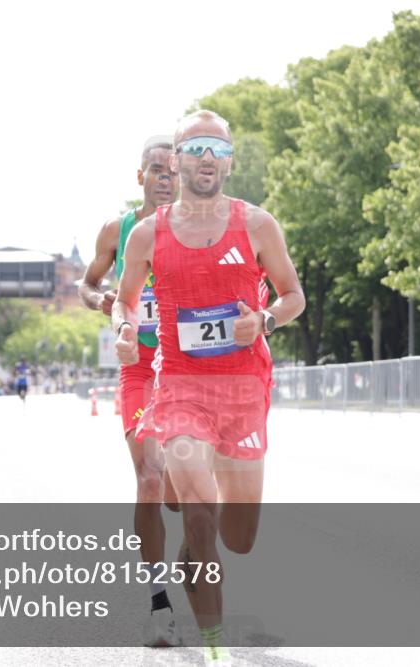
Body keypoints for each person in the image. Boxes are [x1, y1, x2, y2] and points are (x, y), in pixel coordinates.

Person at [113, 110, 305, 665]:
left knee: (239, 537)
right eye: (193, 146)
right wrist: (125, 330)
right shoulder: (149, 234)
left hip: (244, 388)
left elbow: (294, 296)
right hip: (178, 385)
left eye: (215, 148)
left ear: (229, 160)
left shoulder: (258, 225)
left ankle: (196, 556)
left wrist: (264, 320)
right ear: (177, 158)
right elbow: (125, 301)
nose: (204, 156)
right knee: (199, 516)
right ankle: (214, 649)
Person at [79, 137, 183, 647]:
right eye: (157, 170)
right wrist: (106, 304)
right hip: (139, 366)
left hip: (185, 369)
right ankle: (158, 603)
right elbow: (87, 282)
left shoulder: (195, 229)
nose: (166, 177)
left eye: (173, 170)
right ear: (139, 176)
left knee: (178, 496)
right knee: (147, 478)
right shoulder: (117, 230)